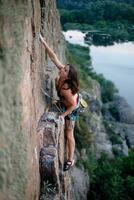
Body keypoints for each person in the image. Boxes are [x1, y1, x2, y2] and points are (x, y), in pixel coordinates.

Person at [39, 34, 80, 171]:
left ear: (67, 75)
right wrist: (43, 42)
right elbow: (54, 57)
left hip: (71, 108)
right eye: (64, 67)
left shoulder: (67, 89)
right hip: (66, 102)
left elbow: (73, 105)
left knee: (69, 133)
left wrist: (63, 115)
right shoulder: (63, 74)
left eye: (65, 69)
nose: (62, 68)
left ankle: (70, 160)